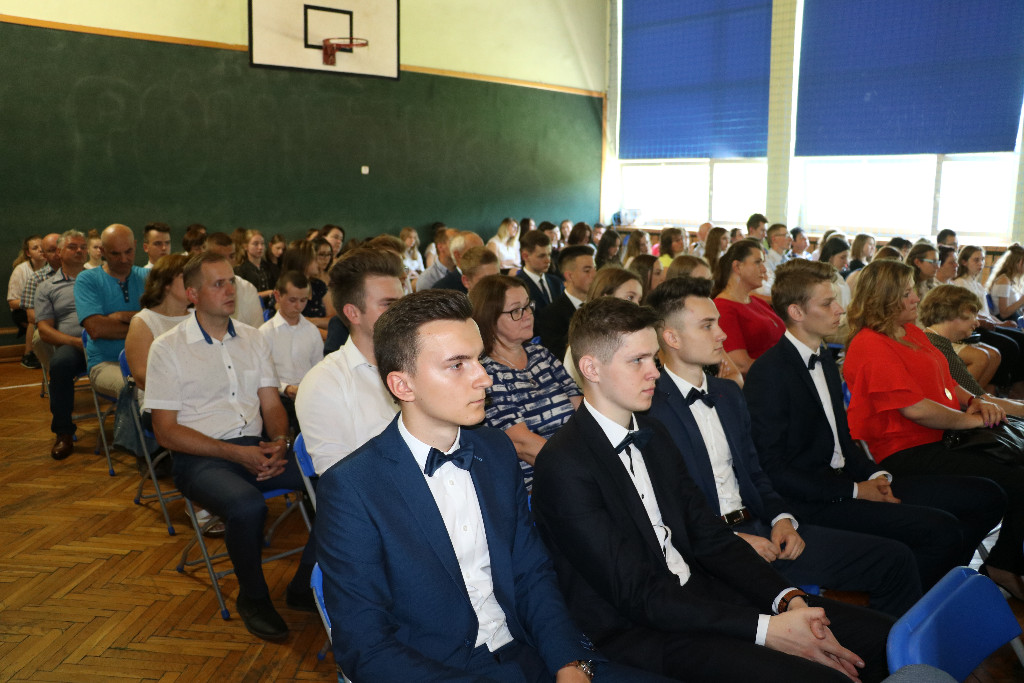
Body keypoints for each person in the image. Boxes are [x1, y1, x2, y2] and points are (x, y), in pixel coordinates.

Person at [533, 297, 893, 682]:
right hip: (638, 630)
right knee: (821, 676)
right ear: (591, 368)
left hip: (699, 594)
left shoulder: (653, 434)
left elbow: (709, 536)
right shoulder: (564, 464)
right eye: (637, 360)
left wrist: (785, 599)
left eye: (653, 358)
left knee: (881, 637)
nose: (654, 372)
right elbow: (638, 595)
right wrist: (766, 629)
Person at [315, 289, 668, 682]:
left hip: (530, 650)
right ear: (403, 386)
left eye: (479, 359)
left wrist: (568, 661)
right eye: (457, 365)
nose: (484, 378)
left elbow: (531, 573)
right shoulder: (352, 488)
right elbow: (365, 647)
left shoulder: (495, 449)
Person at [646, 276, 921, 616]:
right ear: (672, 337)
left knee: (894, 560)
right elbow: (666, 506)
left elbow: (756, 473)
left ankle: (902, 648)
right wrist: (732, 541)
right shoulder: (650, 410)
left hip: (760, 527)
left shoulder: (728, 394)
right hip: (711, 548)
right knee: (827, 622)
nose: (722, 334)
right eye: (707, 326)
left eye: (717, 322)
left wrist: (782, 519)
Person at [744, 261, 1004, 592]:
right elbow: (773, 469)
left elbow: (842, 441)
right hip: (812, 500)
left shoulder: (822, 359)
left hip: (847, 481)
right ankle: (912, 609)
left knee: (986, 496)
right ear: (796, 312)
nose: (840, 309)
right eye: (828, 303)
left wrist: (876, 477)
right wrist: (856, 490)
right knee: (940, 528)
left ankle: (934, 591)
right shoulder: (770, 373)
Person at [145, 252, 316, 641]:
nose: (229, 291)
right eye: (217, 284)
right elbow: (166, 433)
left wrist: (280, 443)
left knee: (336, 483)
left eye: (231, 282)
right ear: (192, 294)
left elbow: (271, 405)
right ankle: (253, 598)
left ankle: (304, 586)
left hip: (256, 448)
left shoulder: (253, 339)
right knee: (247, 506)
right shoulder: (168, 348)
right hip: (200, 458)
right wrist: (238, 454)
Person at [843, 258, 1024, 599]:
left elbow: (946, 381)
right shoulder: (869, 343)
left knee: (1012, 474)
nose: (916, 299)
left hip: (942, 439)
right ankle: (989, 566)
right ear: (883, 299)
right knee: (1008, 484)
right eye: (906, 294)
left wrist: (975, 400)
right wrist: (972, 419)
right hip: (902, 451)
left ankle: (966, 568)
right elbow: (916, 409)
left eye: (913, 291)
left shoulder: (909, 332)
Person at [295, 248, 405, 475]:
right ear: (353, 313)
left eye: (402, 303)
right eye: (388, 304)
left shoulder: (421, 363)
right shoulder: (324, 382)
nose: (402, 313)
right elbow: (339, 479)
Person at [470, 275, 581, 490]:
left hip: (576, 465)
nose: (528, 315)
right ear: (489, 319)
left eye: (528, 306)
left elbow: (583, 411)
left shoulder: (541, 355)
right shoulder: (485, 373)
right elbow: (522, 444)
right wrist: (581, 469)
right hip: (537, 487)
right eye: (516, 311)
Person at [74, 224, 148, 397]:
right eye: (115, 253)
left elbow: (165, 318)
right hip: (106, 364)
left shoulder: (149, 277)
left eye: (128, 251)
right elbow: (97, 329)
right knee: (140, 391)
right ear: (102, 251)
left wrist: (121, 316)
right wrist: (145, 325)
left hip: (148, 361)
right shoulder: (87, 279)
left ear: (135, 245)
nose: (124, 259)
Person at [35, 230, 90, 461]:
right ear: (59, 252)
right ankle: (64, 433)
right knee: (59, 364)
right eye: (72, 247)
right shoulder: (47, 287)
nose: (79, 251)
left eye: (83, 247)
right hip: (74, 345)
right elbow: (44, 330)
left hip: (105, 340)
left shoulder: (99, 278)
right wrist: (75, 342)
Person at [259, 270, 324, 431]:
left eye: (303, 300)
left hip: (307, 397)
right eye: (292, 300)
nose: (298, 306)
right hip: (276, 398)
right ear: (277, 296)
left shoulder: (312, 331)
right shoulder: (265, 333)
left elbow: (319, 369)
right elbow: (261, 376)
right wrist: (286, 388)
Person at [713, 239, 785, 375]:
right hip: (761, 382)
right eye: (758, 262)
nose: (764, 269)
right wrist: (787, 369)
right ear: (737, 267)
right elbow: (741, 365)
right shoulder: (723, 308)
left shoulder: (757, 301)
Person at [124, 253, 191, 398]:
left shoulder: (200, 316)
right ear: (166, 283)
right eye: (185, 277)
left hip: (199, 396)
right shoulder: (143, 321)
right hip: (161, 400)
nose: (193, 283)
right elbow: (142, 378)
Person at [205, 232, 266, 329]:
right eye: (221, 258)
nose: (227, 262)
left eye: (231, 256)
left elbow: (257, 331)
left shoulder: (248, 289)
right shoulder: (199, 288)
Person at [20, 232, 61, 369]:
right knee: (40, 337)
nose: (58, 253)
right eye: (52, 250)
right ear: (45, 255)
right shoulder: (36, 279)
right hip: (51, 325)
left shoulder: (82, 273)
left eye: (60, 249)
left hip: (79, 323)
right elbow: (31, 316)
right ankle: (55, 371)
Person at [7, 234, 45, 366]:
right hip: (22, 312)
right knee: (35, 315)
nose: (40, 250)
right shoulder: (21, 270)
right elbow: (12, 302)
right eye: (35, 248)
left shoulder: (52, 267)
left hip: (46, 309)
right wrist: (34, 302)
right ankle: (29, 355)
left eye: (42, 246)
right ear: (28, 253)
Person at [280, 240, 332, 331]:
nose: (318, 262)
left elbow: (334, 319)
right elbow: (293, 325)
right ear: (303, 262)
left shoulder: (319, 285)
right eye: (314, 258)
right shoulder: (284, 288)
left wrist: (313, 321)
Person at [515, 229, 564, 311]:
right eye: (542, 256)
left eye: (549, 255)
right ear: (525, 256)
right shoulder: (517, 286)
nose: (548, 260)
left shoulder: (557, 283)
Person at [234, 229, 274, 305]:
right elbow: (242, 296)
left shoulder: (271, 267)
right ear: (245, 246)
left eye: (262, 244)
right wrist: (268, 292)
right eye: (255, 244)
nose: (260, 247)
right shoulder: (240, 270)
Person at [987, 243, 1024, 323]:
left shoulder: (1010, 280)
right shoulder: (1004, 281)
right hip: (1006, 322)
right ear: (1019, 262)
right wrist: (1021, 301)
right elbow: (1003, 314)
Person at [418, 225, 456, 290]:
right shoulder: (427, 278)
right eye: (454, 242)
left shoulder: (464, 272)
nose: (459, 246)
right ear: (440, 247)